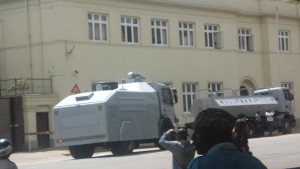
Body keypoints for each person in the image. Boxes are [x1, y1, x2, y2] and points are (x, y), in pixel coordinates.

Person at [188, 108, 267, 169]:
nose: (193, 137)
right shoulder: (254, 163)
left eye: (197, 132)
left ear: (217, 134)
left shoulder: (198, 165)